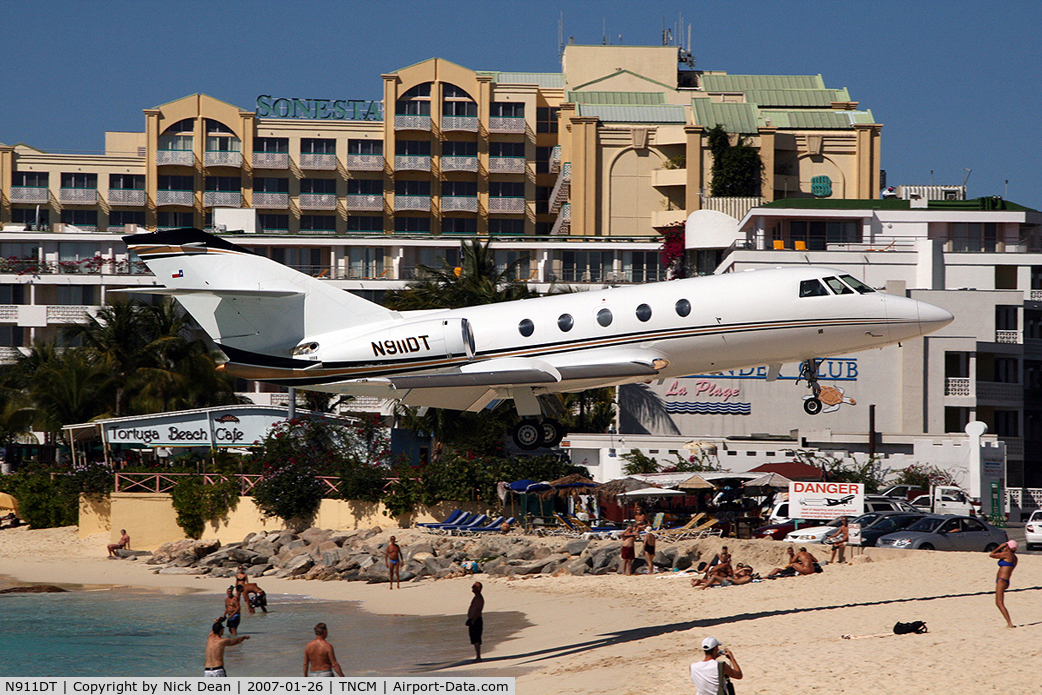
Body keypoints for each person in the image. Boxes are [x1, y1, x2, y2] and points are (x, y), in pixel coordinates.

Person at [990, 540, 1018, 628]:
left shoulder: (1007, 554)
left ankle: (1009, 623)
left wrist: (1000, 547)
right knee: (999, 602)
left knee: (999, 603)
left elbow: (991, 554)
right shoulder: (1015, 557)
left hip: (1001, 580)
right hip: (1005, 580)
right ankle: (1009, 622)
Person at [466, 581, 484, 662]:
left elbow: (478, 610)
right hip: (474, 619)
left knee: (476, 639)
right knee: (474, 639)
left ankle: (478, 657)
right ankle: (477, 656)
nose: (472, 588)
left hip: (476, 620)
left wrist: (473, 619)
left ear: (478, 588)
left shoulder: (479, 598)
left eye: (473, 586)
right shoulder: (476, 597)